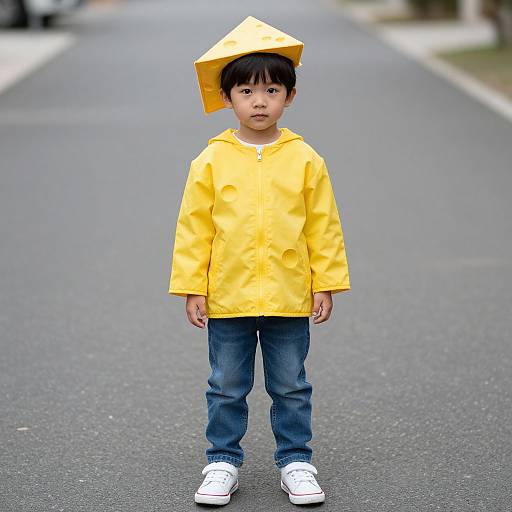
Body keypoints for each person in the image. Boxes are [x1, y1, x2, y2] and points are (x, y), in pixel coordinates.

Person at [168, 16, 350, 506]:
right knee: (227, 385)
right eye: (246, 91)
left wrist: (325, 282)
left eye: (271, 89)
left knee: (291, 385)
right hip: (229, 295)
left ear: (289, 96)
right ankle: (221, 462)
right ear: (227, 98)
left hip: (290, 296)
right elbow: (194, 229)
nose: (259, 101)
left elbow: (323, 225)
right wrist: (194, 286)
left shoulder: (305, 158)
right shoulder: (210, 161)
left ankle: (296, 460)